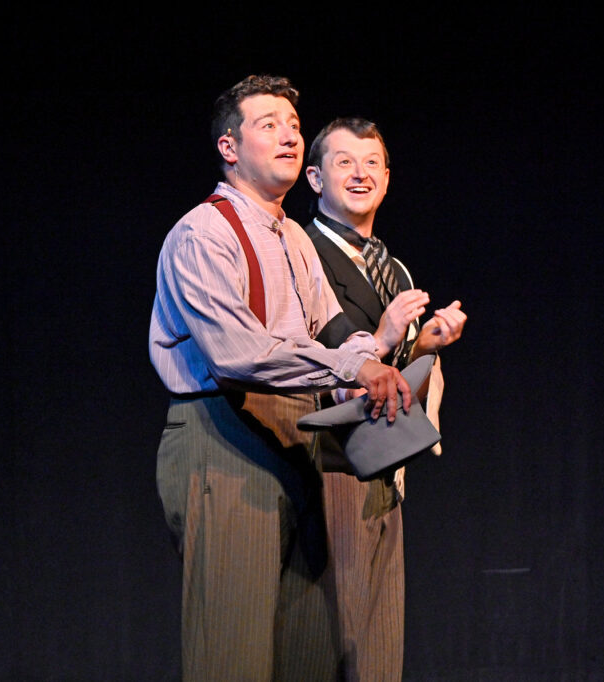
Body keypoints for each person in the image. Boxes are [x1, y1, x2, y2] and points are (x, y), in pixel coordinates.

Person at [148, 77, 413, 682]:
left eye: (293, 123)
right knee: (232, 654)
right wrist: (352, 366)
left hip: (300, 440)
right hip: (224, 436)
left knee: (309, 654)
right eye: (268, 124)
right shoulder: (203, 232)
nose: (290, 134)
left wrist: (368, 367)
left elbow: (334, 329)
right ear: (229, 147)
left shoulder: (293, 236)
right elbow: (238, 354)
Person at [303, 117, 467, 679]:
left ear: (389, 179)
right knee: (330, 637)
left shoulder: (391, 267)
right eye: (344, 161)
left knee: (378, 649)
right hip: (328, 465)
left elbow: (399, 374)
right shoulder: (301, 253)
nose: (360, 173)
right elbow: (310, 356)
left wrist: (424, 344)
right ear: (315, 178)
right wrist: (386, 338)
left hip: (383, 466)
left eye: (371, 162)